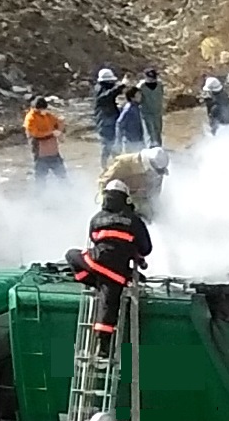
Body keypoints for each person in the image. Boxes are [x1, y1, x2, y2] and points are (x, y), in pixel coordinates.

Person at [64, 180, 152, 342]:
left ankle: (94, 282)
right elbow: (146, 248)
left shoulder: (97, 219)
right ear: (126, 199)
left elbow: (93, 238)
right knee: (108, 306)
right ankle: (103, 345)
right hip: (118, 274)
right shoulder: (133, 220)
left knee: (71, 255)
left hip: (96, 263)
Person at [99, 145, 170, 216]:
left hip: (141, 201)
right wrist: (105, 204)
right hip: (118, 198)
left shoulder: (158, 173)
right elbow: (104, 182)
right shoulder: (124, 163)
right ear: (149, 165)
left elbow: (154, 194)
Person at [23, 96, 66, 182]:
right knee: (40, 178)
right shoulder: (30, 118)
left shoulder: (48, 116)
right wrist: (51, 133)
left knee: (62, 176)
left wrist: (61, 124)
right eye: (41, 109)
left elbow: (57, 124)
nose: (43, 111)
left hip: (53, 151)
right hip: (40, 152)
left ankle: (68, 192)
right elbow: (34, 134)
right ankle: (39, 194)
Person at [92, 68, 121, 167]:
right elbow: (107, 96)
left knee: (114, 145)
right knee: (107, 145)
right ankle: (104, 167)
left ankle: (117, 164)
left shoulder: (101, 89)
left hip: (109, 120)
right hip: (104, 123)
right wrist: (119, 87)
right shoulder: (100, 91)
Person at [116, 85, 149, 155]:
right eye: (138, 95)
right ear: (132, 98)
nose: (140, 96)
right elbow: (119, 123)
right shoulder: (129, 108)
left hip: (138, 139)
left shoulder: (137, 107)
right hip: (130, 141)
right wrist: (119, 141)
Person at [138, 67, 165, 146]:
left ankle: (159, 149)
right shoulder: (141, 86)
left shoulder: (160, 85)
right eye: (150, 78)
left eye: (153, 78)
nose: (152, 80)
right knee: (149, 132)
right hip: (146, 113)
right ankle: (149, 149)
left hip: (157, 112)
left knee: (158, 132)